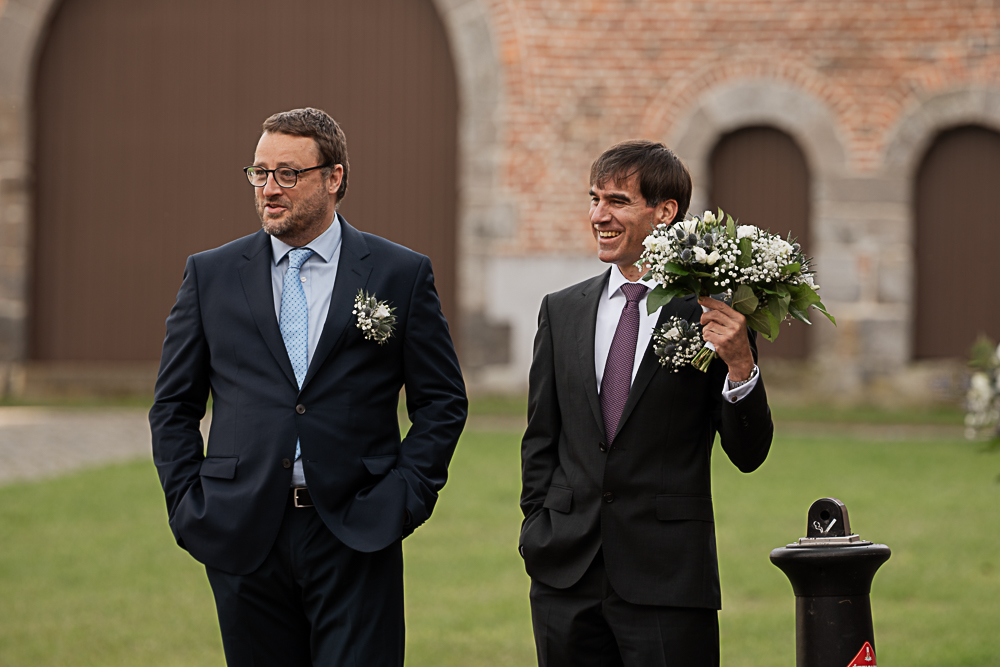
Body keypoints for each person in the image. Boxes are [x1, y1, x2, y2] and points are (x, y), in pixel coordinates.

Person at [150, 107, 467, 666]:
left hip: (357, 527)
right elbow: (174, 405)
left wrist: (405, 496)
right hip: (242, 528)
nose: (269, 188)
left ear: (334, 177)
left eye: (288, 173)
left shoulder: (399, 273)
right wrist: (187, 504)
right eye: (260, 172)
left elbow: (442, 401)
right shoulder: (210, 274)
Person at [519, 140, 774, 667]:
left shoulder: (714, 311)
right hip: (564, 576)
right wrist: (537, 532)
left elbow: (749, 453)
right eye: (594, 199)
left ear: (665, 212)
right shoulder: (561, 310)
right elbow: (541, 438)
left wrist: (741, 365)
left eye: (617, 201)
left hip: (668, 581)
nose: (599, 216)